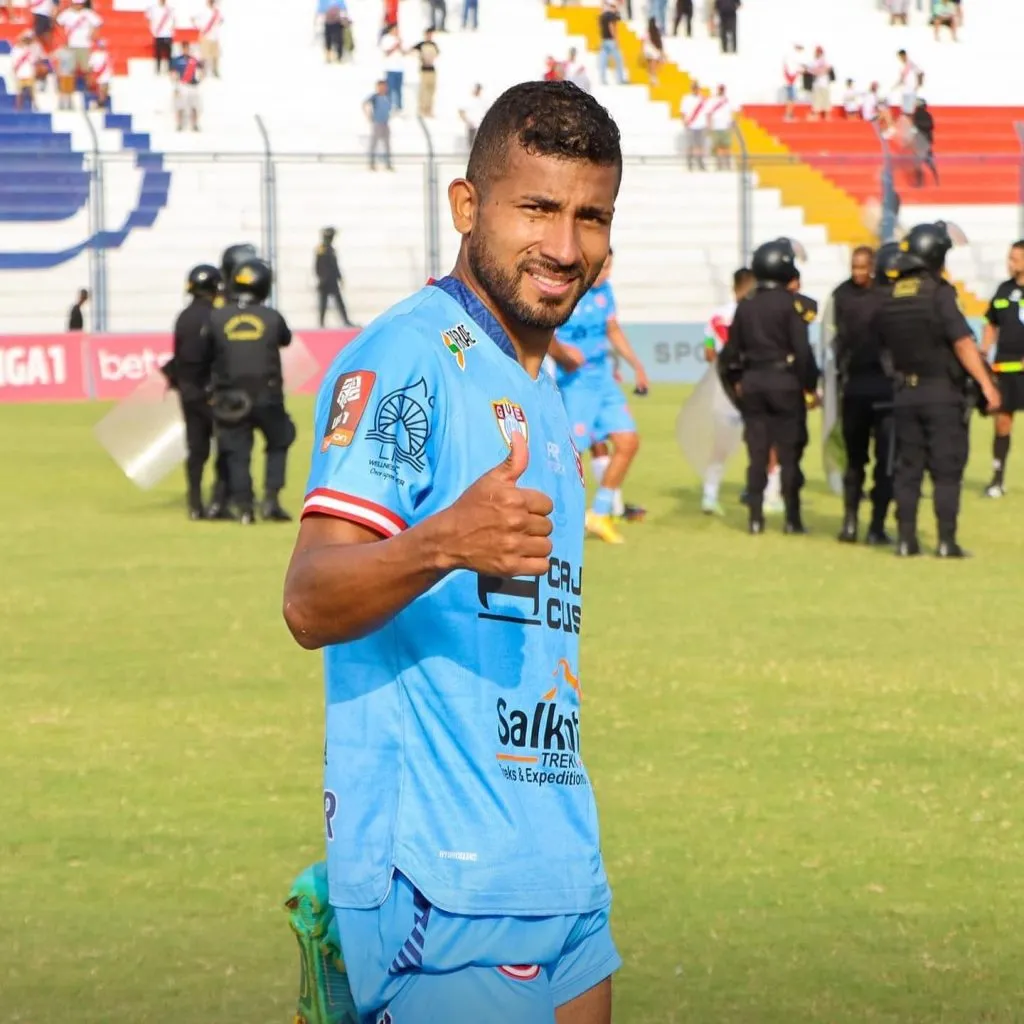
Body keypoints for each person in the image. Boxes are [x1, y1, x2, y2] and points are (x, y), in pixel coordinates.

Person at [281, 80, 623, 1024]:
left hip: (556, 850)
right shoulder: (407, 357)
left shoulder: (539, 382)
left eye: (590, 216)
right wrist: (439, 543)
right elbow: (309, 598)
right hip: (441, 878)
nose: (565, 246)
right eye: (537, 209)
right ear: (468, 206)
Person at [873, 222, 1000, 557]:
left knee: (908, 470)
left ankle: (906, 540)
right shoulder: (939, 293)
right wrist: (986, 385)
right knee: (946, 470)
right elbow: (962, 343)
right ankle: (946, 542)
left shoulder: (890, 296)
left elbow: (883, 346)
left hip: (905, 393)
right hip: (941, 393)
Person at [548, 249, 649, 544]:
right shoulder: (564, 290)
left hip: (603, 379)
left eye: (609, 268)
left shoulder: (605, 292)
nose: (606, 274)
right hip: (574, 383)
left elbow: (612, 329)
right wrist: (564, 356)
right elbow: (544, 332)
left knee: (628, 442)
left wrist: (636, 365)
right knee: (571, 453)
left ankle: (600, 513)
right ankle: (558, 516)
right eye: (602, 268)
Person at [719, 238, 819, 534]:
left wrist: (737, 386)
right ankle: (792, 519)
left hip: (753, 384)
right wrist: (810, 386)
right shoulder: (792, 305)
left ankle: (755, 519)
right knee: (789, 455)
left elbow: (728, 356)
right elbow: (803, 352)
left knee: (757, 455)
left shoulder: (745, 306)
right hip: (785, 384)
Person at [205, 258, 296, 524]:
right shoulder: (272, 317)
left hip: (230, 397)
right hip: (268, 395)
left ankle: (244, 508)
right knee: (279, 440)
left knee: (237, 453)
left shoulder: (217, 317)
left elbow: (207, 349)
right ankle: (271, 500)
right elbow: (285, 339)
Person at [832, 244, 894, 544]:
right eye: (853, 267)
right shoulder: (841, 295)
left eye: (862, 267)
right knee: (854, 461)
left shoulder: (886, 294)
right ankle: (850, 522)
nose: (857, 273)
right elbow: (836, 339)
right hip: (855, 387)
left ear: (872, 267)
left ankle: (876, 526)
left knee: (885, 462)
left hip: (884, 387)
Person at [160, 264, 225, 519]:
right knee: (226, 448)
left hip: (188, 392)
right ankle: (219, 501)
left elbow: (179, 355)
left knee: (196, 450)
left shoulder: (183, 317)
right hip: (211, 393)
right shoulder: (216, 317)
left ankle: (195, 504)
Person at [700, 266, 755, 515]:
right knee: (762, 441)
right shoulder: (755, 314)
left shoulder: (716, 317)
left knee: (721, 444)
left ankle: (709, 495)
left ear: (734, 287)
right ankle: (764, 492)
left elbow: (708, 352)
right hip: (753, 383)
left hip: (724, 387)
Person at [980, 240, 1024, 498]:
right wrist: (984, 350)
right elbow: (991, 322)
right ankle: (997, 479)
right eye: (1010, 258)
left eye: (1015, 259)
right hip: (1006, 366)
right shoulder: (1003, 290)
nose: (1010, 263)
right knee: (1003, 422)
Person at [315, 227, 356, 328]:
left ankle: (345, 320)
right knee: (323, 303)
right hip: (325, 281)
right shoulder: (321, 249)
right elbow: (318, 265)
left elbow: (335, 266)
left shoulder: (331, 249)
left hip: (332, 280)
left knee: (339, 301)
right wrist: (321, 277)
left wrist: (339, 277)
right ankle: (321, 323)